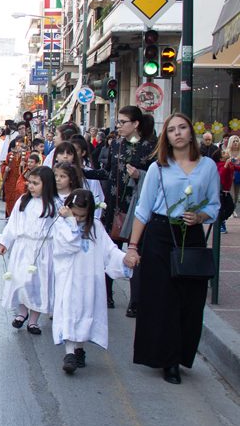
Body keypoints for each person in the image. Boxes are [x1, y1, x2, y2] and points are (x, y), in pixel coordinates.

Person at [123, 113, 220, 385]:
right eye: (171, 130)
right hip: (160, 234)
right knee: (162, 300)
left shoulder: (209, 166)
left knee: (190, 301)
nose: (177, 133)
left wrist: (201, 216)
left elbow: (214, 204)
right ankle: (167, 360)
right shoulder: (159, 168)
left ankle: (181, 355)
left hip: (192, 236)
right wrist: (133, 247)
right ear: (166, 137)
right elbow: (143, 209)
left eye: (182, 128)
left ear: (191, 133)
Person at [54, 190, 133, 374]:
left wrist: (124, 259)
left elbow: (109, 251)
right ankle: (69, 354)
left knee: (85, 313)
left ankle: (79, 348)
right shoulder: (62, 225)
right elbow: (68, 244)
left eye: (82, 216)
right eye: (75, 214)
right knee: (69, 312)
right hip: (69, 278)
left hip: (89, 280)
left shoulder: (96, 227)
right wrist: (70, 221)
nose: (78, 219)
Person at [101, 106, 155, 313]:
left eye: (123, 122)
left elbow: (156, 178)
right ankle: (106, 295)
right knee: (109, 250)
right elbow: (107, 173)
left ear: (136, 124)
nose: (119, 126)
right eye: (118, 122)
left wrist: (139, 175)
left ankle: (136, 302)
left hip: (136, 210)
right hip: (113, 207)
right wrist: (81, 171)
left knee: (135, 253)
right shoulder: (115, 144)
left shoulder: (150, 147)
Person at [0, 166, 62, 336]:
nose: (30, 186)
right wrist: (5, 241)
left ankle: (33, 320)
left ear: (46, 185)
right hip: (23, 247)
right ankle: (21, 312)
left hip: (43, 249)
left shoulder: (55, 204)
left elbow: (61, 229)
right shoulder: (23, 201)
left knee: (38, 284)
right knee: (21, 281)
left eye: (35, 183)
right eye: (30, 182)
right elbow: (13, 223)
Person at [1, 139, 28, 218]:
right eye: (18, 145)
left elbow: (29, 170)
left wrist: (24, 166)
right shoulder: (10, 155)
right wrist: (5, 169)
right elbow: (4, 165)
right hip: (10, 181)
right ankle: (10, 216)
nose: (20, 148)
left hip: (21, 183)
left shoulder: (27, 156)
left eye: (22, 146)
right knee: (10, 199)